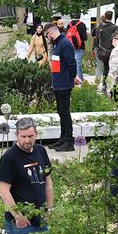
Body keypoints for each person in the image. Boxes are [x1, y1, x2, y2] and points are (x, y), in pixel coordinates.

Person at [0, 118, 53, 234]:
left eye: (31, 136)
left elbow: (48, 183)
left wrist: (49, 209)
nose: (27, 140)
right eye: (23, 136)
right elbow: (3, 190)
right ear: (16, 135)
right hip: (21, 223)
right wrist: (18, 216)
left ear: (36, 134)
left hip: (41, 218)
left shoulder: (41, 151)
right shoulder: (9, 158)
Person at [46, 22, 78, 152]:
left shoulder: (64, 43)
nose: (47, 38)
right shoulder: (57, 44)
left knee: (65, 112)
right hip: (58, 83)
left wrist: (73, 77)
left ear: (51, 32)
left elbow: (72, 62)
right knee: (61, 111)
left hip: (64, 84)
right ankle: (63, 138)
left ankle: (69, 141)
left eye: (47, 35)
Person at [94, 11, 117, 93]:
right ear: (112, 16)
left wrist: (96, 48)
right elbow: (117, 38)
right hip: (111, 51)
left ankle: (103, 85)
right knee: (111, 68)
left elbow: (96, 37)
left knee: (103, 68)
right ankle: (110, 85)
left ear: (105, 16)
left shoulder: (100, 26)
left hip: (102, 51)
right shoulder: (114, 27)